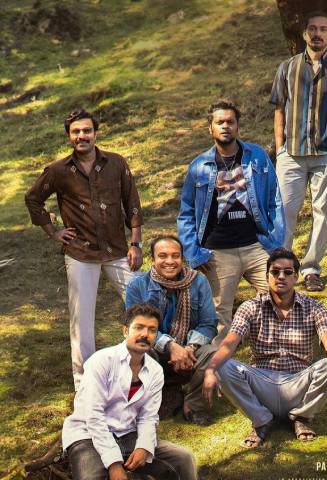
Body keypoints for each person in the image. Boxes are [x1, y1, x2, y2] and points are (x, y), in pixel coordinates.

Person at [25, 108, 143, 389]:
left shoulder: (116, 163)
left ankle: (143, 367)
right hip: (80, 252)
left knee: (142, 303)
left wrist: (136, 243)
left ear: (95, 133)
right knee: (82, 321)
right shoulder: (58, 171)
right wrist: (53, 232)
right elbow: (33, 198)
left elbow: (132, 203)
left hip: (117, 250)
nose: (82, 136)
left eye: (86, 131)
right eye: (76, 132)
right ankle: (84, 384)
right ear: (69, 136)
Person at [202, 248, 327, 448]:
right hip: (262, 383)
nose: (281, 276)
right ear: (267, 276)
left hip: (299, 382)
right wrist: (210, 369)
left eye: (288, 272)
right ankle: (261, 420)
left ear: (296, 277)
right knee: (222, 366)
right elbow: (229, 343)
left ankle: (302, 417)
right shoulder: (250, 307)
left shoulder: (315, 308)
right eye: (275, 271)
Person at [177, 99, 284, 345]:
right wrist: (194, 253)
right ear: (211, 128)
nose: (225, 126)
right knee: (219, 317)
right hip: (217, 252)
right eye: (220, 122)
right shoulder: (199, 166)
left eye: (230, 122)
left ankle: (275, 352)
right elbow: (186, 213)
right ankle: (220, 365)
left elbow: (275, 200)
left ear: (237, 127)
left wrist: (276, 241)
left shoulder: (257, 156)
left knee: (279, 296)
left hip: (256, 246)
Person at [62, 303, 197, 480]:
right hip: (88, 435)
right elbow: (94, 416)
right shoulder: (101, 361)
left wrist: (144, 446)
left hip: (127, 434)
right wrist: (114, 463)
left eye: (152, 330)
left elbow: (148, 417)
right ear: (125, 331)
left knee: (183, 459)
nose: (145, 334)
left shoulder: (155, 370)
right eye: (139, 327)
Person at [270, 10, 327, 292]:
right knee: (285, 212)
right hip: (291, 153)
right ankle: (281, 266)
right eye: (313, 29)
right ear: (305, 34)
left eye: (323, 29)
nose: (317, 34)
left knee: (322, 212)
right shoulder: (287, 68)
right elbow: (279, 109)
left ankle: (310, 269)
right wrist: (280, 149)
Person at [125, 235, 218, 425]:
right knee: (136, 350)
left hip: (189, 351)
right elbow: (138, 328)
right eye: (162, 256)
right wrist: (170, 346)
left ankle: (194, 405)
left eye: (175, 256)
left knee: (212, 353)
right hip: (156, 350)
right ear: (152, 259)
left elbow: (208, 323)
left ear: (182, 258)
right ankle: (147, 404)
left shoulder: (199, 281)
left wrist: (189, 348)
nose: (169, 261)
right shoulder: (138, 286)